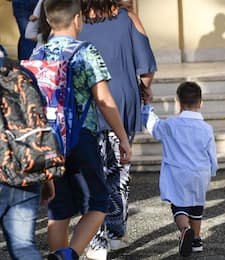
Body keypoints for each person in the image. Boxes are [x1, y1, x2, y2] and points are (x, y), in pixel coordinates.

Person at [37, 0, 132, 259]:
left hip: (49, 142)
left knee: (58, 211)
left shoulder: (37, 54)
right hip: (82, 138)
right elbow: (104, 100)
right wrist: (122, 138)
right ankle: (69, 255)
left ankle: (59, 253)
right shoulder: (85, 51)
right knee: (98, 204)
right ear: (77, 18)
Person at [77, 0, 157, 259]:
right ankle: (115, 232)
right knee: (119, 169)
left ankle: (96, 241)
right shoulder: (128, 17)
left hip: (86, 103)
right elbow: (145, 67)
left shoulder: (76, 18)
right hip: (122, 100)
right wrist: (144, 88)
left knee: (92, 172)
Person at [142, 81, 218, 257]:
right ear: (201, 103)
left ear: (178, 103)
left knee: (179, 206)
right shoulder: (206, 128)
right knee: (197, 205)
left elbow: (153, 126)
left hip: (177, 172)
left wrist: (147, 106)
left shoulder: (170, 125)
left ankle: (185, 230)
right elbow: (211, 153)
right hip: (200, 172)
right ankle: (197, 239)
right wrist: (212, 170)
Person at [0, 44, 55, 260]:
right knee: (24, 246)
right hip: (27, 170)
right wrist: (47, 177)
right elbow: (39, 127)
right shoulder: (23, 74)